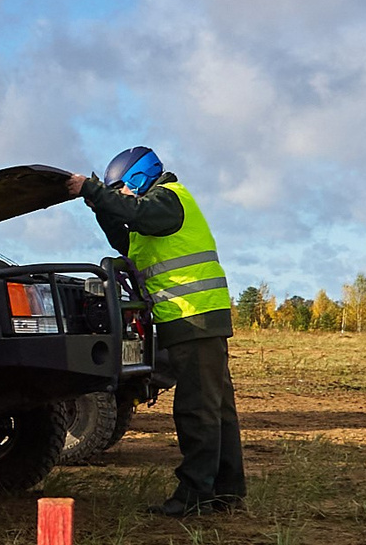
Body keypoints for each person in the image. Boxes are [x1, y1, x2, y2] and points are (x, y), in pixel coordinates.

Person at [65, 149, 242, 515]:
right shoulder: (155, 216)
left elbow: (134, 212)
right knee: (216, 408)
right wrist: (101, 208)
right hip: (194, 319)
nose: (120, 195)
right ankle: (226, 490)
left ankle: (194, 496)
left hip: (193, 318)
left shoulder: (166, 200)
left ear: (139, 178)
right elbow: (126, 241)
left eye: (121, 188)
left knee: (197, 409)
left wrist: (93, 190)